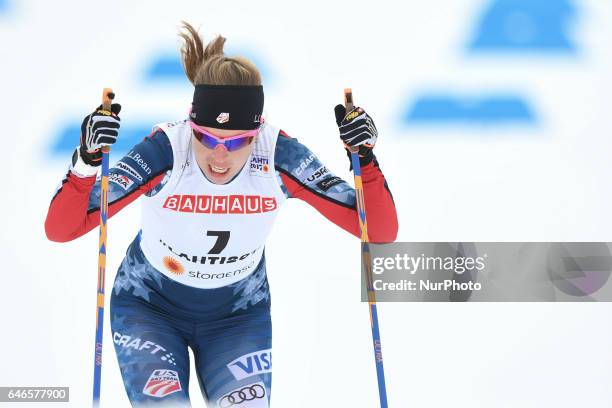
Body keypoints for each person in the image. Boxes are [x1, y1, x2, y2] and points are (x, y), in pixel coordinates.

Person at [45, 22, 398, 408]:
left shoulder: (279, 155)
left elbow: (378, 231)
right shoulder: (166, 151)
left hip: (238, 317)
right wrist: (88, 161)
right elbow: (61, 229)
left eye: (236, 142)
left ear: (257, 132)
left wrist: (363, 157)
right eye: (206, 137)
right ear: (190, 123)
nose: (219, 155)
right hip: (149, 308)